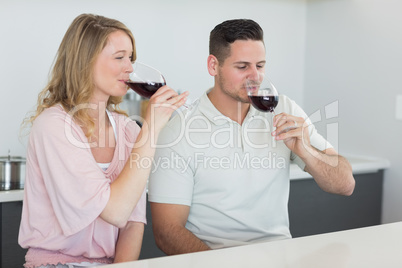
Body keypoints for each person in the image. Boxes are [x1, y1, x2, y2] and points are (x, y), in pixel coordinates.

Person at [148, 19, 355, 255]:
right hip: (215, 259)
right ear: (213, 66)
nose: (255, 76)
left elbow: (345, 185)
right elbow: (167, 231)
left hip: (279, 257)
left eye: (260, 65)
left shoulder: (283, 109)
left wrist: (305, 150)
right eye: (242, 66)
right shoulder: (179, 131)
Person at [18, 13, 188, 267]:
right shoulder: (54, 126)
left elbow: (132, 223)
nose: (129, 67)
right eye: (119, 57)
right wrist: (151, 127)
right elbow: (116, 212)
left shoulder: (129, 131)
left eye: (131, 58)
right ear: (84, 62)